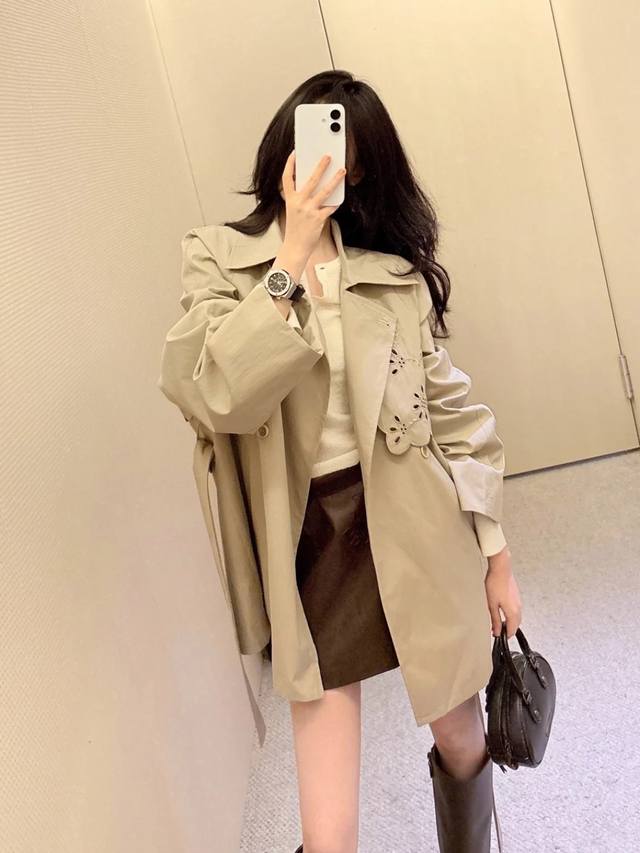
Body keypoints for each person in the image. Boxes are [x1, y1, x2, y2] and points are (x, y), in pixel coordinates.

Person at [158, 69, 522, 853]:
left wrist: (497, 557)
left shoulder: (390, 276)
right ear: (283, 149)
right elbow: (217, 392)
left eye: (346, 162)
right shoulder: (218, 259)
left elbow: (454, 417)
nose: (328, 171)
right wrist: (290, 254)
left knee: (464, 744)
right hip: (311, 546)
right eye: (314, 147)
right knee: (329, 834)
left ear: (360, 172)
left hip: (417, 531)